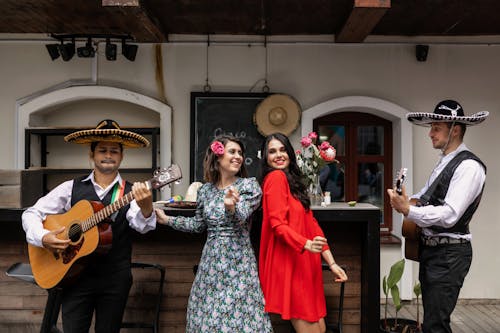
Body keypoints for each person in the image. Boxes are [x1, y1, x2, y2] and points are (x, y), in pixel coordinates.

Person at [22, 119, 156, 333]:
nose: (108, 155)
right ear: (92, 154)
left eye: (114, 151)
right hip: (74, 276)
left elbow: (142, 226)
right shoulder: (70, 188)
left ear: (122, 156)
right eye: (102, 150)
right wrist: (43, 237)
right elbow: (31, 213)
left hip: (114, 279)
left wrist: (147, 207)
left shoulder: (130, 192)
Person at [387, 100, 488, 333]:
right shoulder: (446, 161)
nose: (430, 133)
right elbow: (424, 197)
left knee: (435, 325)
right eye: (431, 127)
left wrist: (408, 210)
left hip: (449, 254)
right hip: (435, 252)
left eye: (436, 127)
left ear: (455, 129)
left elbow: (450, 215)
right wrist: (406, 201)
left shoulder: (469, 167)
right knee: (433, 322)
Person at [155, 134, 273, 332]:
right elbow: (198, 225)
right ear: (218, 157)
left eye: (240, 153)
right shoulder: (205, 191)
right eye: (232, 152)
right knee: (208, 318)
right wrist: (167, 220)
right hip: (210, 264)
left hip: (239, 265)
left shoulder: (248, 186)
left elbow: (243, 216)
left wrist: (232, 206)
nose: (238, 157)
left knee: (239, 317)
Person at [258, 132, 348, 333]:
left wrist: (331, 262)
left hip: (304, 262)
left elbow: (312, 224)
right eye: (272, 151)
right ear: (265, 157)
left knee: (320, 327)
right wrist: (305, 244)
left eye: (282, 150)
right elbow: (277, 224)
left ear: (290, 153)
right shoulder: (275, 178)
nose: (278, 155)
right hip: (289, 262)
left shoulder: (293, 182)